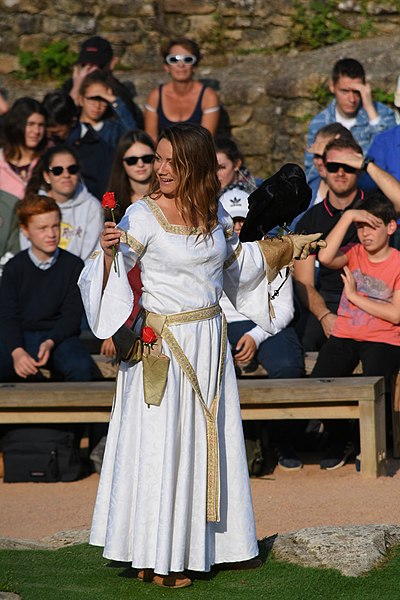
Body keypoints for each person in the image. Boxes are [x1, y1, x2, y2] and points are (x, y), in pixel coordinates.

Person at [78, 123, 323, 588]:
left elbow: (232, 267)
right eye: (158, 159)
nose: (162, 169)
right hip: (164, 347)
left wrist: (283, 248)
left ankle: (220, 544)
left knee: (212, 439)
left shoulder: (210, 213)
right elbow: (109, 274)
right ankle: (154, 556)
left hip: (211, 339)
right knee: (162, 445)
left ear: (197, 164)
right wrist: (108, 256)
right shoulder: (141, 215)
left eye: (173, 161)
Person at [219, 189, 305, 471]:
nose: (240, 226)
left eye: (244, 219)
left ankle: (283, 439)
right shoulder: (211, 251)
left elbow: (285, 309)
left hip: (265, 323)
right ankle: (232, 444)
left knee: (287, 365)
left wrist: (254, 337)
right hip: (222, 324)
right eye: (234, 221)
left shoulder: (274, 248)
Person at [312, 192, 400, 469]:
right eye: (360, 227)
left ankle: (372, 445)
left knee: (376, 383)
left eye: (371, 226)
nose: (365, 234)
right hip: (345, 334)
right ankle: (340, 440)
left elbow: (396, 314)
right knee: (321, 383)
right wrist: (348, 216)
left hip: (383, 338)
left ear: (390, 227)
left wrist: (355, 296)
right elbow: (325, 257)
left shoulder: (398, 262)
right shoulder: (352, 252)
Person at [294, 136, 400, 352]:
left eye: (348, 167)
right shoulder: (310, 220)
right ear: (323, 169)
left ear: (358, 171)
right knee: (304, 342)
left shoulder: (375, 204)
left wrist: (366, 164)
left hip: (380, 298)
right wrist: (324, 316)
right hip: (332, 300)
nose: (340, 172)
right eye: (334, 166)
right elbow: (303, 281)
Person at [0, 195, 95, 382]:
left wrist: (51, 342)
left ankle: (77, 411)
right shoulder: (14, 267)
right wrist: (17, 352)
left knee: (81, 367)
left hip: (59, 339)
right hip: (20, 337)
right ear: (25, 231)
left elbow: (71, 316)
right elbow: (8, 316)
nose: (51, 234)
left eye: (55, 226)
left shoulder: (73, 266)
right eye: (42, 228)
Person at [100, 130, 156, 358]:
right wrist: (110, 328)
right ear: (122, 164)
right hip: (128, 291)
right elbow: (107, 268)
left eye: (147, 158)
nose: (140, 165)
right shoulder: (115, 211)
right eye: (132, 160)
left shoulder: (170, 203)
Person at [305, 58, 397, 181]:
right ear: (332, 87)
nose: (352, 99)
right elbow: (311, 172)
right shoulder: (319, 123)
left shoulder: (383, 114)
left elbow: (392, 157)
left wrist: (371, 111)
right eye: (344, 91)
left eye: (357, 92)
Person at [24, 145, 104, 262]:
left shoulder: (93, 207)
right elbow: (27, 248)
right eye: (57, 170)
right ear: (46, 176)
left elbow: (92, 255)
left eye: (72, 169)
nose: (66, 175)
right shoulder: (32, 206)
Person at [144, 38, 220, 142]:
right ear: (166, 66)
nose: (181, 65)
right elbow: (151, 140)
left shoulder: (208, 97)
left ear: (195, 66)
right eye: (174, 59)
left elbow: (205, 141)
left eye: (188, 59)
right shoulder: (155, 96)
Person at [42, 91, 113, 200]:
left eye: (56, 133)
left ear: (72, 121)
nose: (49, 137)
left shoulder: (98, 149)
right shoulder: (43, 144)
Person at [63, 35, 144, 128]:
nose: (89, 71)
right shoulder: (72, 85)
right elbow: (60, 121)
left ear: (111, 64)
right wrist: (76, 89)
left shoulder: (119, 92)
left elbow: (128, 125)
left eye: (97, 66)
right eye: (85, 65)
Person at [77, 70, 137, 151]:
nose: (97, 106)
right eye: (92, 99)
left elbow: (133, 133)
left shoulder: (113, 129)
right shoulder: (72, 128)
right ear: (81, 100)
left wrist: (114, 101)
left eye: (103, 100)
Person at [0, 97, 47, 200]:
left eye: (41, 125)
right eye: (30, 124)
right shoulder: (1, 162)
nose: (36, 131)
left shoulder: (50, 159)